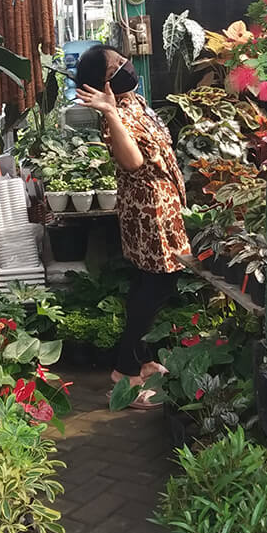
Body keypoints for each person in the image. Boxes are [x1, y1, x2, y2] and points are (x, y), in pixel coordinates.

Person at [75, 45, 190, 407]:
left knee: (149, 283)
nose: (126, 68)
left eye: (122, 61)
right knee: (156, 285)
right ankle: (124, 374)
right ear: (102, 85)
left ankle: (139, 361)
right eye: (115, 68)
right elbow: (133, 161)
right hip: (148, 212)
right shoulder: (115, 115)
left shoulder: (135, 103)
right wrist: (109, 111)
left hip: (164, 206)